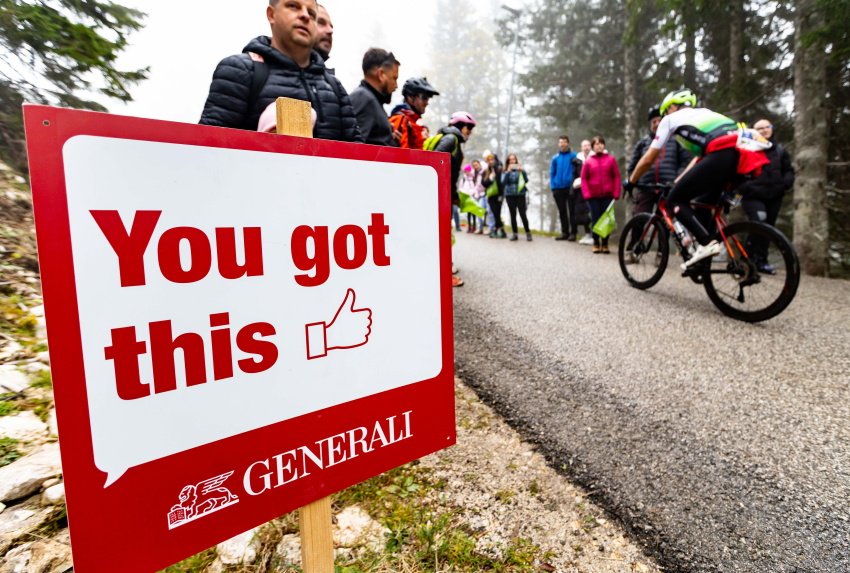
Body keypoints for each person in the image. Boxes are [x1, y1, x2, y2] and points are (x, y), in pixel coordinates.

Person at [625, 89, 770, 269]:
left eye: (665, 112)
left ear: (671, 107)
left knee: (675, 200)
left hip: (722, 154)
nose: (664, 117)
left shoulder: (670, 120)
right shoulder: (705, 113)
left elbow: (648, 159)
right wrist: (678, 181)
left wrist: (631, 181)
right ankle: (706, 259)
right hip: (745, 158)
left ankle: (706, 244)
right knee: (703, 204)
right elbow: (699, 159)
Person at [199, 0, 362, 143]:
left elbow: (356, 154)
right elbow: (210, 147)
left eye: (312, 14)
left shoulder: (334, 86)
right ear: (271, 14)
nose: (305, 16)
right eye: (293, 6)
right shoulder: (240, 69)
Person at [433, 112, 477, 286]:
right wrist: (444, 192)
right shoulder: (451, 139)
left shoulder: (454, 140)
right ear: (459, 126)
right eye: (469, 127)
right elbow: (433, 161)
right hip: (439, 195)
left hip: (445, 194)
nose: (470, 131)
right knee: (442, 234)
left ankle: (446, 267)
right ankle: (444, 275)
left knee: (444, 233)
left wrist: (453, 195)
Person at [627, 105, 692, 214]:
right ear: (650, 125)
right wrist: (634, 181)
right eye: (654, 122)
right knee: (639, 216)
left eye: (660, 121)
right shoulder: (642, 143)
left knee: (669, 218)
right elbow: (632, 166)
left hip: (668, 188)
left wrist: (676, 179)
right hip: (646, 187)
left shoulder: (676, 141)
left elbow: (685, 162)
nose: (657, 124)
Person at [349, 48, 400, 146]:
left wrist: (389, 141)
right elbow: (353, 147)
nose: (396, 85)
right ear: (381, 74)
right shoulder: (364, 98)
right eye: (394, 78)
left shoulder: (371, 100)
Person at [581, 136, 621, 254]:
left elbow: (616, 177)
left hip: (608, 196)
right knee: (595, 219)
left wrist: (616, 193)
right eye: (597, 144)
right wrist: (587, 194)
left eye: (601, 143)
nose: (599, 145)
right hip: (593, 197)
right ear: (593, 147)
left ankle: (605, 243)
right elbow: (584, 179)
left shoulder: (611, 160)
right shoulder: (588, 162)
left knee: (606, 219)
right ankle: (596, 242)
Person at [389, 78, 440, 149]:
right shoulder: (399, 119)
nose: (426, 103)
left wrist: (424, 141)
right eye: (424, 97)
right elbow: (400, 154)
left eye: (428, 99)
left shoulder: (411, 123)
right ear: (410, 97)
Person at [550, 136, 582, 240]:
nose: (562, 144)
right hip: (558, 188)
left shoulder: (574, 155)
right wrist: (553, 187)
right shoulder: (555, 158)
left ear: (568, 143)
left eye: (564, 142)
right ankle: (564, 232)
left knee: (572, 210)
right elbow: (552, 173)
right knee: (562, 211)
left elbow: (579, 170)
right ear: (558, 144)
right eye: (561, 142)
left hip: (570, 187)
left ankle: (573, 233)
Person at [502, 154, 533, 241]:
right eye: (510, 160)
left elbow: (526, 180)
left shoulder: (521, 170)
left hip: (520, 195)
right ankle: (515, 234)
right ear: (508, 162)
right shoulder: (505, 171)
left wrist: (522, 172)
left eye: (513, 159)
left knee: (523, 214)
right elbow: (503, 182)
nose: (512, 161)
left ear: (516, 160)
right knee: (513, 215)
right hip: (510, 195)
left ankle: (528, 232)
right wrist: (508, 172)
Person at [573, 140, 594, 244]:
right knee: (582, 213)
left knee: (592, 212)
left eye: (588, 145)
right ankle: (587, 234)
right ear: (581, 148)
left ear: (591, 147)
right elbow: (574, 174)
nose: (586, 147)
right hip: (580, 189)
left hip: (593, 189)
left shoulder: (595, 157)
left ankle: (595, 235)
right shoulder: (577, 160)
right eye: (584, 146)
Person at [482, 153, 507, 238]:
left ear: (495, 160)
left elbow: (502, 183)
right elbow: (484, 183)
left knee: (497, 212)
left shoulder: (499, 169)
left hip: (499, 195)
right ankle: (499, 229)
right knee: (494, 212)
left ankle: (498, 229)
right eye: (488, 160)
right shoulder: (486, 171)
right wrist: (490, 178)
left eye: (492, 159)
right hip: (491, 195)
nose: (490, 161)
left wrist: (501, 194)